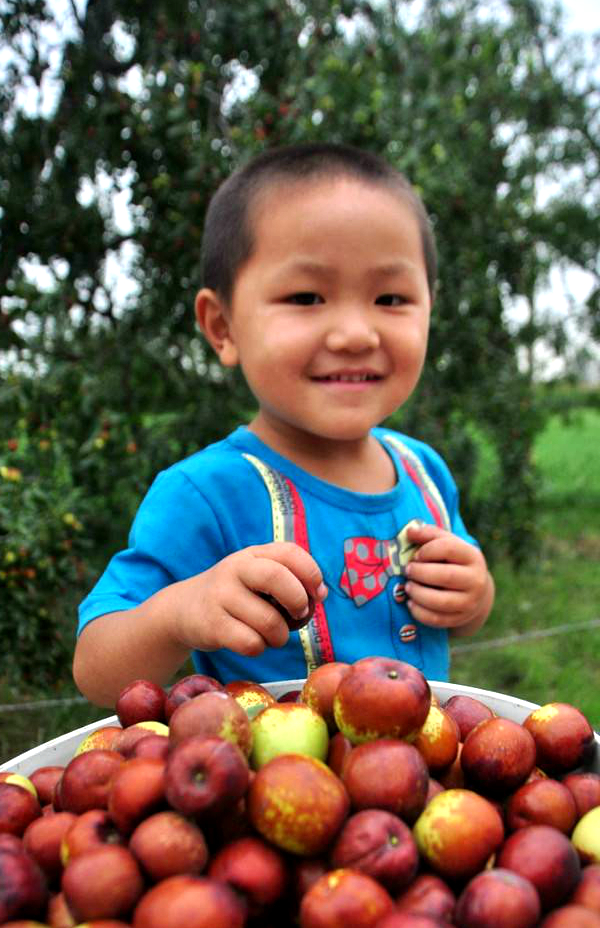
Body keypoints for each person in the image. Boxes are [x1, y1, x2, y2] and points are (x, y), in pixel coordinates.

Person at [73, 142, 495, 708]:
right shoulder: (206, 495)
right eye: (305, 296)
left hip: (426, 783)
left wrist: (474, 598)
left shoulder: (426, 473)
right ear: (222, 327)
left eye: (390, 297)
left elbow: (457, 613)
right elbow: (95, 669)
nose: (355, 334)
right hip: (269, 787)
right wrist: (178, 613)